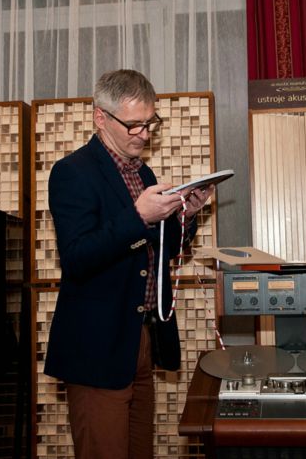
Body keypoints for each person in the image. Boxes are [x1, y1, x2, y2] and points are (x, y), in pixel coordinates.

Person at [44, 69, 213, 459]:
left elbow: (158, 253)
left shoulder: (143, 173)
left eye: (150, 123)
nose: (144, 134)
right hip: (97, 346)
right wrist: (138, 217)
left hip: (140, 337)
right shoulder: (72, 172)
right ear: (100, 118)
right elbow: (77, 258)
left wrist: (187, 216)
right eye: (134, 124)